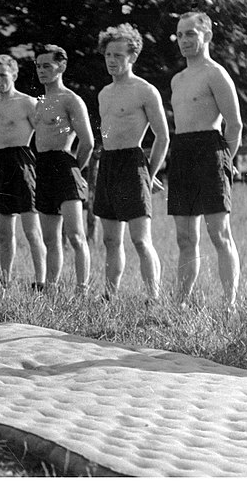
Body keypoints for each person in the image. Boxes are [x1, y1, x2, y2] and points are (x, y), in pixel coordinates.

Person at [169, 12, 242, 312]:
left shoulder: (216, 73)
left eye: (191, 34)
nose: (185, 40)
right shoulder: (177, 79)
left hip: (211, 149)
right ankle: (180, 303)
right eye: (180, 35)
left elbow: (235, 125)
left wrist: (226, 161)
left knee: (219, 233)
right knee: (185, 237)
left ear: (207, 36)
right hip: (183, 151)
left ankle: (230, 304)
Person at [94, 23, 170, 300]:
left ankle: (154, 298)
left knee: (140, 240)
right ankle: (109, 296)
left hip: (133, 162)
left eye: (119, 55)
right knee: (111, 239)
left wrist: (148, 175)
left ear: (132, 57)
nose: (112, 61)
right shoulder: (104, 94)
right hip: (109, 164)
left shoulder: (145, 90)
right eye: (108, 55)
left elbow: (163, 136)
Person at [34, 45, 94, 291]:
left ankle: (82, 289)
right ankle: (51, 288)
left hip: (65, 165)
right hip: (43, 167)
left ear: (62, 66)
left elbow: (88, 142)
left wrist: (74, 171)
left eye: (47, 66)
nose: (42, 71)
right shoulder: (39, 102)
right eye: (38, 66)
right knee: (50, 238)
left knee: (75, 236)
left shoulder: (70, 99)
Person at [0, 54, 46, 288]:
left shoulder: (28, 103)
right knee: (4, 232)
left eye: (3, 75)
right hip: (0, 162)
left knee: (31, 230)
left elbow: (43, 136)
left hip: (22, 161)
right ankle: (5, 278)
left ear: (14, 75)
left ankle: (40, 280)